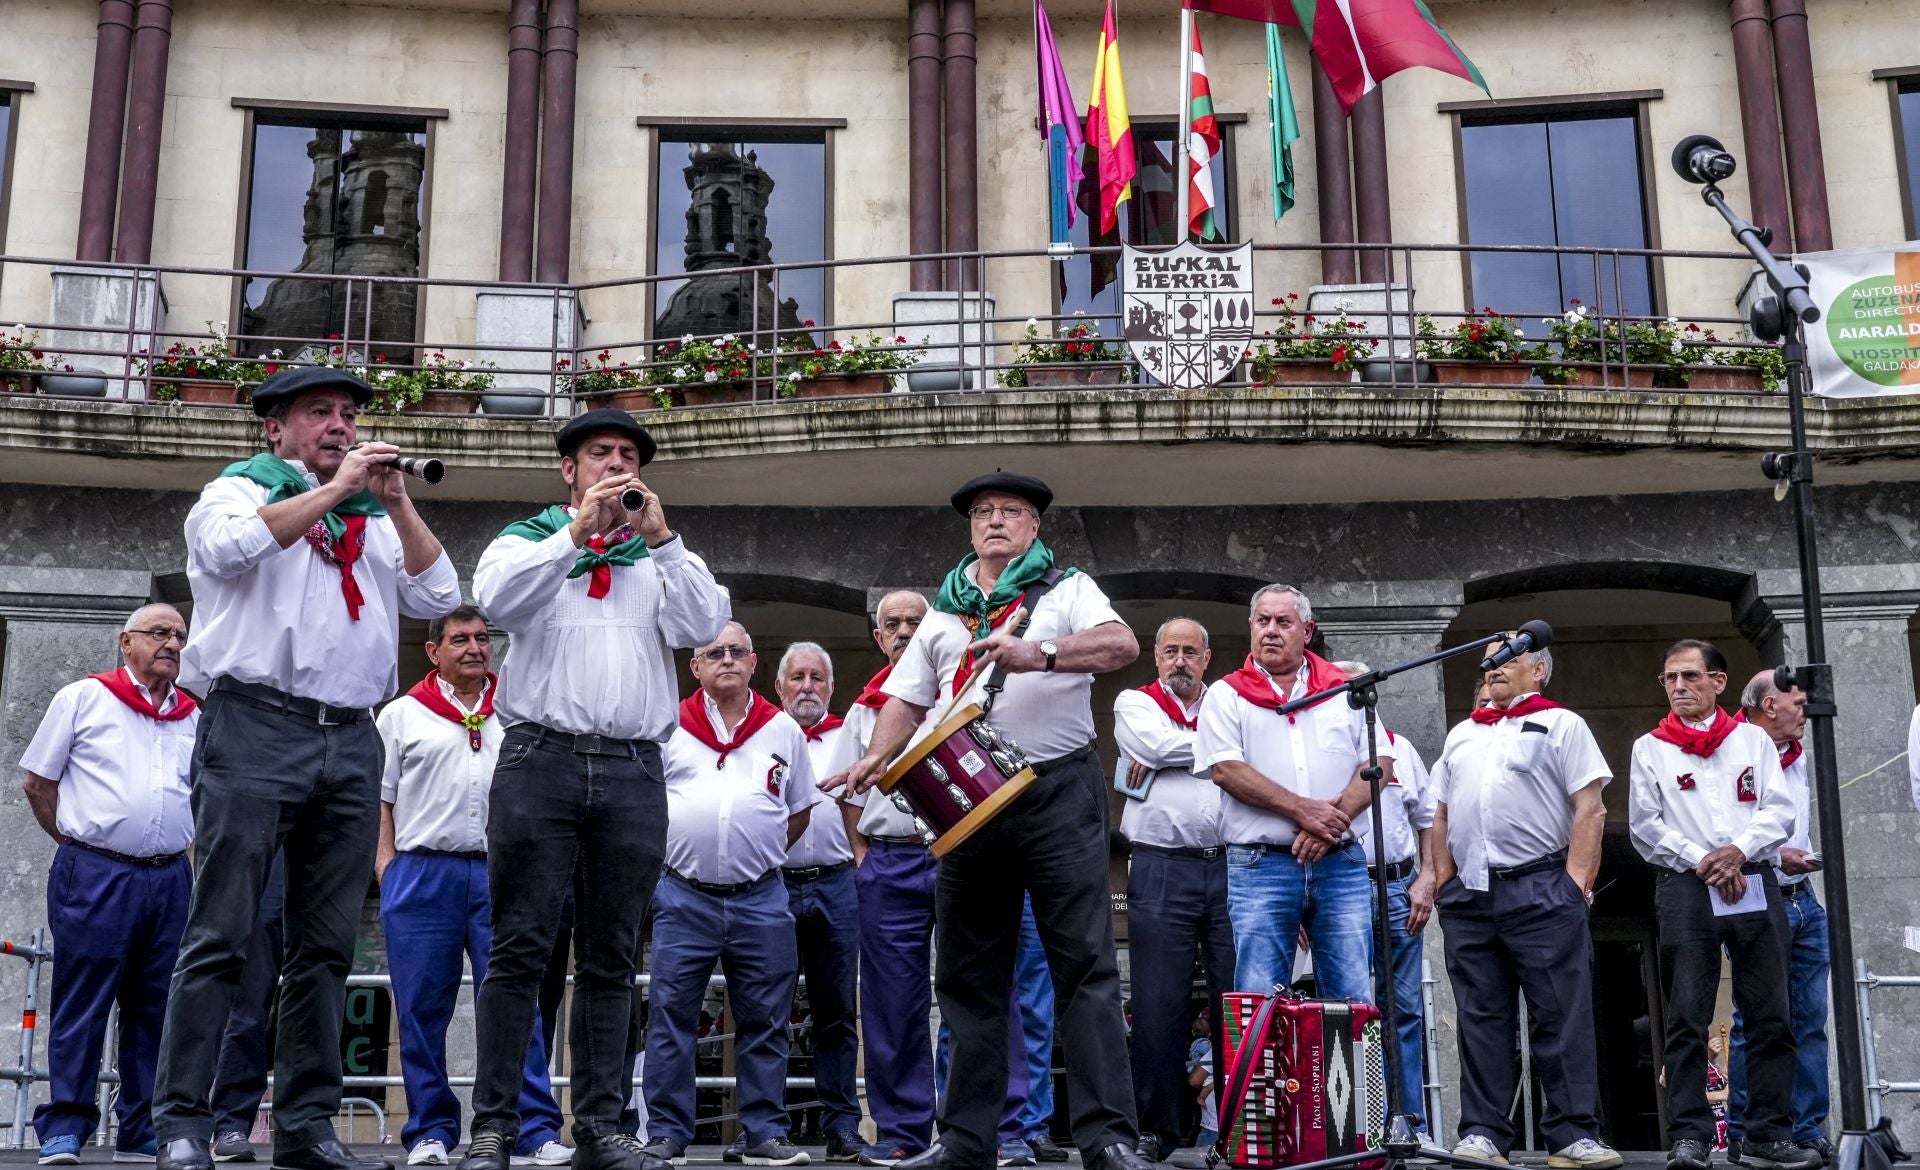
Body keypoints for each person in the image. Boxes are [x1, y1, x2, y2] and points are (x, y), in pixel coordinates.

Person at [155, 367, 461, 1170]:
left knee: (326, 947)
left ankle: (304, 1124)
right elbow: (227, 550)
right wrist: (337, 489)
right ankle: (183, 1120)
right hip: (254, 724)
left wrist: (395, 498)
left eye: (349, 414)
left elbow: (440, 592)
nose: (339, 425)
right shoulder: (234, 491)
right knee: (221, 934)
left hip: (351, 737)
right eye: (319, 413)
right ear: (275, 430)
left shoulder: (374, 514)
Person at [829, 471, 1148, 1170]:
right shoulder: (943, 612)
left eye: (1011, 511)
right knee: (970, 976)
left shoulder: (1066, 589)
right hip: (970, 802)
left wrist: (1041, 653)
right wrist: (874, 760)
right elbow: (907, 699)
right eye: (983, 512)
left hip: (1056, 789)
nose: (995, 520)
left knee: (1086, 965)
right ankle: (967, 1141)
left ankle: (1106, 1138)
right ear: (970, 528)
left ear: (1035, 528)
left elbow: (1123, 646)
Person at [464, 408, 731, 1170]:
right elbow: (500, 604)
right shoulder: (526, 541)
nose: (615, 467)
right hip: (539, 759)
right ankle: (494, 1127)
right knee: (519, 952)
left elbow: (706, 622)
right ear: (569, 471)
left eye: (627, 456)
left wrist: (665, 540)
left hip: (633, 767)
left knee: (612, 956)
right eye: (599, 455)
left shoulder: (656, 555)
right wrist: (575, 533)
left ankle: (604, 1129)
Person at [374, 606, 567, 1167]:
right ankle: (430, 1130)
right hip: (422, 871)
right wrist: (386, 865)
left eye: (483, 639)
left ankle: (533, 1129)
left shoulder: (518, 710)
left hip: (503, 872)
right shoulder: (402, 715)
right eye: (460, 640)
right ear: (434, 652)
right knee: (419, 1008)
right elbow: (378, 798)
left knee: (517, 1005)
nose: (475, 649)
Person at [1427, 638, 1618, 1169]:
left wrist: (1574, 883)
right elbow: (1440, 814)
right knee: (1480, 1016)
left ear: (1539, 669)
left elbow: (1591, 808)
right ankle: (1484, 1133)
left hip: (1541, 885)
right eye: (1488, 659)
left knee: (1560, 1013)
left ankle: (1574, 1135)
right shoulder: (1462, 733)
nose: (1493, 667)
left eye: (1508, 657)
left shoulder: (1563, 724)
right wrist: (1444, 880)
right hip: (1470, 893)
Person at [22, 605, 198, 1166]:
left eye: (179, 636)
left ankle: (141, 1128)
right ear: (126, 641)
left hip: (170, 875)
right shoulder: (83, 698)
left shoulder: (194, 716)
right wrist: (78, 845)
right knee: (83, 999)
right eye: (159, 633)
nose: (171, 643)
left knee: (157, 1006)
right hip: (96, 871)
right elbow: (37, 783)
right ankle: (66, 1125)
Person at [1628, 639, 1814, 1170]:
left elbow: (1777, 811)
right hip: (1687, 885)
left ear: (1719, 682)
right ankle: (1689, 1133)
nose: (1679, 687)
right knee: (1687, 1013)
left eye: (1689, 676)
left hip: (1752, 878)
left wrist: (1736, 854)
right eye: (1669, 679)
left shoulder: (1753, 740)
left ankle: (1765, 1134)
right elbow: (1645, 826)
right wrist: (1706, 861)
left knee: (1770, 1012)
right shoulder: (1650, 747)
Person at [642, 622, 818, 1168]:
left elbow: (799, 810)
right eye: (713, 652)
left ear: (753, 662)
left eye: (736, 651)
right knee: (671, 1014)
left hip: (761, 896)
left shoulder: (782, 730)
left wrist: (754, 856)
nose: (726, 660)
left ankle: (763, 1130)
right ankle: (669, 1132)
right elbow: (646, 809)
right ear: (694, 667)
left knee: (767, 1018)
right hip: (683, 895)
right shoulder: (668, 725)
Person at [1195, 585, 1374, 1003]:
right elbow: (1226, 770)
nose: (1271, 631)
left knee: (1354, 995)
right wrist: (1304, 811)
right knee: (1257, 999)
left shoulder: (1345, 689)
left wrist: (1329, 824)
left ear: (1307, 630)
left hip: (1341, 863)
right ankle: (1260, 1074)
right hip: (1261, 866)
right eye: (1262, 621)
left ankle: (1353, 1074)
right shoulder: (1226, 694)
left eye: (1283, 622)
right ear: (1251, 628)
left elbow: (1377, 765)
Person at [1111, 619, 1231, 1165]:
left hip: (1234, 866)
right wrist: (1221, 756)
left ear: (1207, 660)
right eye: (1170, 652)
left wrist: (1173, 755)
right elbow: (1155, 745)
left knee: (1239, 1000)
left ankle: (1237, 1124)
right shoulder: (1134, 702)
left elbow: (1168, 753)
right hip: (1160, 866)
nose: (1179, 660)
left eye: (1190, 651)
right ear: (1156, 658)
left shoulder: (1230, 701)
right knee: (1159, 1001)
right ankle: (1156, 1129)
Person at [842, 591, 938, 1167]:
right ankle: (903, 1131)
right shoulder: (864, 710)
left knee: (976, 992)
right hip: (889, 861)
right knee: (891, 1001)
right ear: (879, 638)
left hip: (959, 856)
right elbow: (851, 794)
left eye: (915, 623)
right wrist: (861, 855)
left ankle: (990, 1129)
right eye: (892, 624)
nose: (903, 631)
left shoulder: (960, 695)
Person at [1329, 661, 1436, 1145]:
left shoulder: (1402, 750)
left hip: (1397, 888)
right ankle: (1358, 1129)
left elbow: (1429, 819)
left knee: (1404, 1010)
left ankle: (1409, 1122)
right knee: (1348, 1010)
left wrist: (1428, 878)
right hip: (1337, 890)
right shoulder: (1321, 754)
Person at [1727, 672, 1831, 1165]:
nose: (1806, 714)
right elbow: (1721, 828)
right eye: (1799, 704)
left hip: (1804, 898)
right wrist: (1773, 856)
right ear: (1770, 705)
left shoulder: (1800, 756)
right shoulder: (1731, 749)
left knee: (1810, 1018)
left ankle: (1805, 1126)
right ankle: (1748, 1129)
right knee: (1759, 1018)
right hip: (1759, 892)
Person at [776, 642, 866, 1163]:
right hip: (776, 883)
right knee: (768, 1010)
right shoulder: (766, 734)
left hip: (837, 882)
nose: (807, 686)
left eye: (817, 678)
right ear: (780, 686)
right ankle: (766, 1124)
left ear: (831, 688)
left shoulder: (849, 735)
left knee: (836, 1011)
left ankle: (842, 1125)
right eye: (798, 677)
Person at [208, 853, 285, 1164]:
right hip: (267, 838)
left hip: (325, 836)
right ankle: (230, 1123)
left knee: (317, 999)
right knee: (249, 1001)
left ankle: (309, 1127)